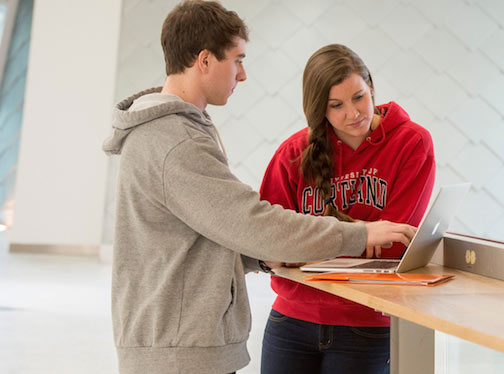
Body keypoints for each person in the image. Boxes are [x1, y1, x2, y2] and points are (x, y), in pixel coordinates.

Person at [101, 3, 415, 374]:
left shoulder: (178, 131)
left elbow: (203, 235)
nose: (243, 73)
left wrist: (261, 258)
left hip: (179, 343)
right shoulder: (175, 140)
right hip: (179, 351)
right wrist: (359, 234)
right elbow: (251, 222)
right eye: (237, 59)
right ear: (204, 60)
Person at [258, 44, 436, 374]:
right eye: (335, 105)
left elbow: (394, 245)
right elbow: (268, 241)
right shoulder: (293, 153)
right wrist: (362, 237)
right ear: (318, 110)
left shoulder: (412, 143)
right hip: (290, 321)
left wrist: (307, 246)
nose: (353, 113)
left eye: (359, 97)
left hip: (366, 323)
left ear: (372, 88)